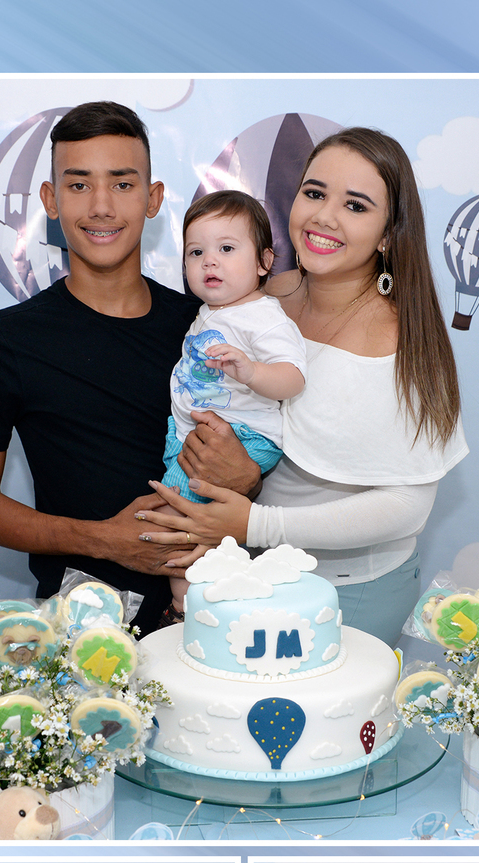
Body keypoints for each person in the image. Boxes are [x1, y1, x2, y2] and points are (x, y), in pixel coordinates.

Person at [0, 100, 263, 636]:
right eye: (79, 184)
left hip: (220, 614)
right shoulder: (2, 340)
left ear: (153, 198)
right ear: (51, 200)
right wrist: (102, 541)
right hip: (83, 630)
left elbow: (271, 444)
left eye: (123, 183)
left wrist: (248, 476)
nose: (102, 206)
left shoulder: (210, 329)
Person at [137, 127, 467, 648]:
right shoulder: (261, 296)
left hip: (347, 592)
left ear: (388, 234)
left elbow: (407, 505)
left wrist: (256, 524)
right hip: (246, 572)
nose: (324, 217)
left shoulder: (398, 341)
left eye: (355, 205)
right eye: (314, 193)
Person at [163, 190, 307, 612]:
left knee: (179, 519)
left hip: (244, 438)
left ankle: (185, 606)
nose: (210, 261)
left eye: (226, 249)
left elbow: (293, 377)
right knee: (184, 515)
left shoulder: (262, 317)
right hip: (191, 432)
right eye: (196, 252)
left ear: (264, 262)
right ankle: (205, 593)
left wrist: (251, 372)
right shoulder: (213, 310)